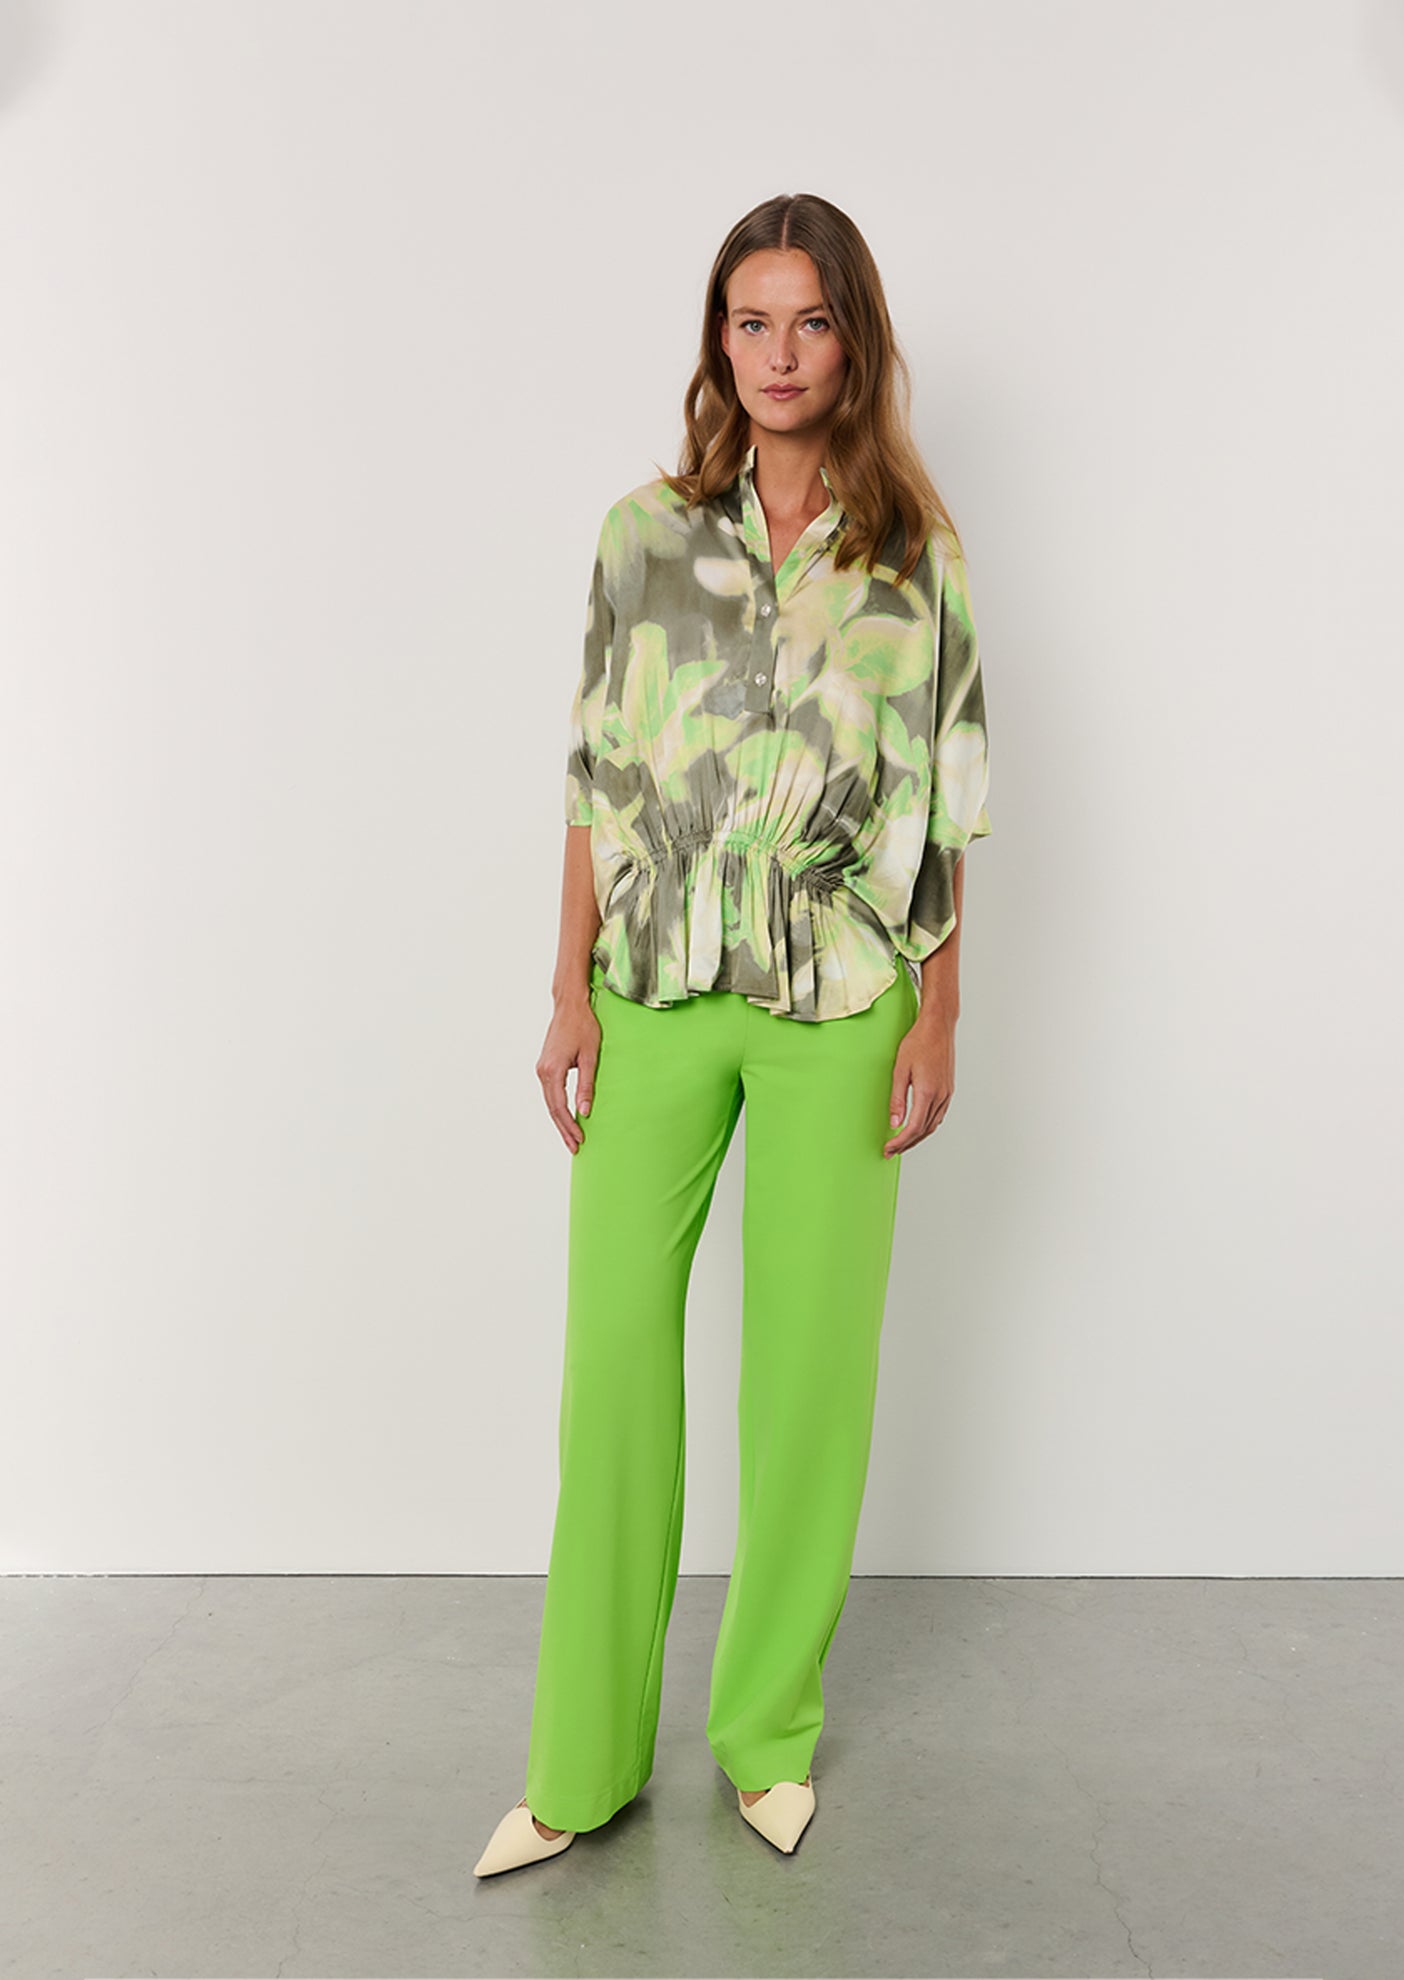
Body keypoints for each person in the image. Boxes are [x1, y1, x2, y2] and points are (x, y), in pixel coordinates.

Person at [474, 191, 993, 1877]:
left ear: (855, 341)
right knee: (617, 1364)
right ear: (719, 340)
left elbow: (949, 802)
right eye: (751, 321)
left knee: (809, 1379)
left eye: (811, 322)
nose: (779, 354)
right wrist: (567, 990)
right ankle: (580, 1765)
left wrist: (939, 1015)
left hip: (845, 993)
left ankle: (767, 1730)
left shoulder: (915, 554)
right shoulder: (641, 535)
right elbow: (593, 775)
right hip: (652, 982)